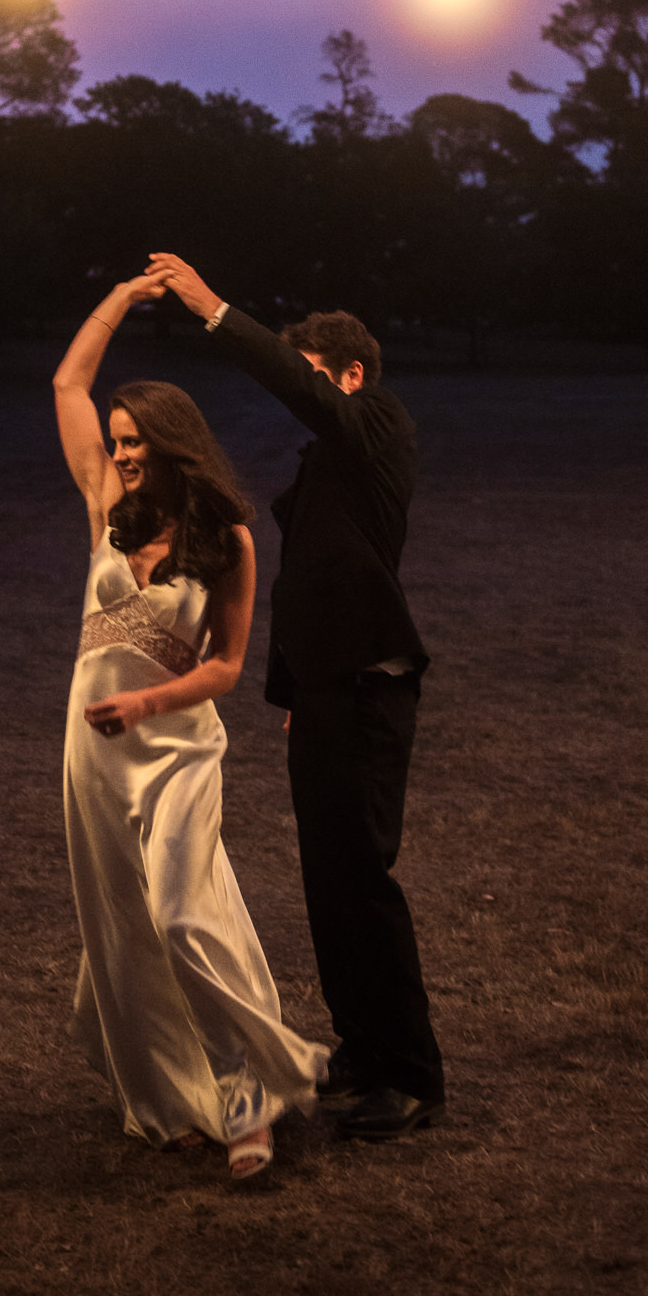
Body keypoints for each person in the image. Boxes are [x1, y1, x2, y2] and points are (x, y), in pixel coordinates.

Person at [147, 254, 445, 1141]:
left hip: (368, 688)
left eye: (313, 377)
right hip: (323, 690)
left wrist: (212, 311)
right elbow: (313, 580)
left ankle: (411, 1076)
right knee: (328, 884)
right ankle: (362, 1053)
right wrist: (294, 686)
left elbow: (308, 398)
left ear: (350, 377)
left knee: (363, 879)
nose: (303, 393)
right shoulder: (331, 466)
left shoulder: (380, 426)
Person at [52, 276, 327, 1181]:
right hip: (91, 755)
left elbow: (225, 671)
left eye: (136, 443)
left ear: (173, 446)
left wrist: (140, 705)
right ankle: (172, 1102)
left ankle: (258, 1090)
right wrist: (123, 300)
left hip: (174, 751)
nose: (122, 454)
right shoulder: (106, 510)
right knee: (124, 926)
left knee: (183, 918)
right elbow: (67, 387)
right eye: (117, 442)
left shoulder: (229, 538)